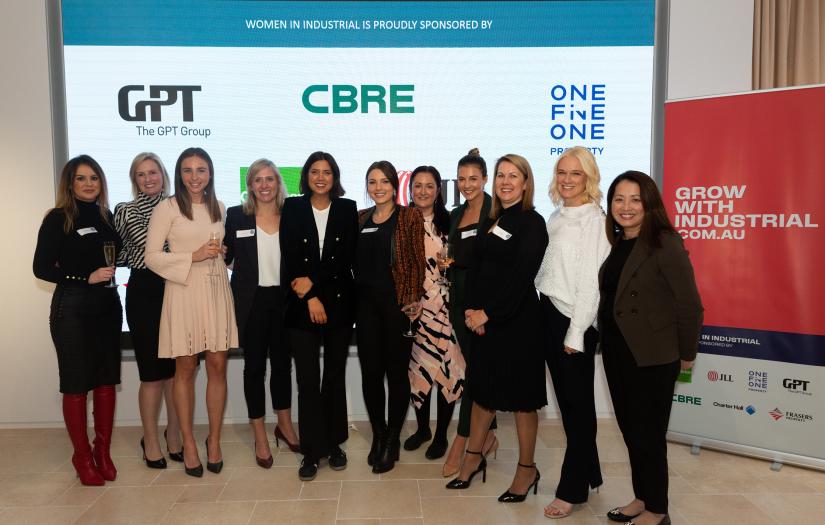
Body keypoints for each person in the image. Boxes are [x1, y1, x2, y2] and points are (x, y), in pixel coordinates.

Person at [599, 171, 703, 525]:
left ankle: (657, 510)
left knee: (649, 435)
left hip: (654, 356)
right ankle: (643, 497)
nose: (625, 207)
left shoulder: (664, 242)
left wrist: (686, 356)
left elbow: (690, 305)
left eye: (635, 200)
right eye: (618, 199)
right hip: (618, 351)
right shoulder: (619, 241)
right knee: (631, 431)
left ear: (649, 204)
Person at [446, 154, 548, 504]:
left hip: (518, 323)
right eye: (501, 175)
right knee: (482, 393)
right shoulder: (494, 219)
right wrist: (472, 310)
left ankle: (526, 469)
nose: (505, 181)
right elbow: (477, 268)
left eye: (513, 175)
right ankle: (473, 458)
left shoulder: (532, 222)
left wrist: (486, 313)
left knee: (523, 401)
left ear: (525, 182)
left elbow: (521, 278)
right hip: (484, 322)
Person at [145, 147, 238, 478]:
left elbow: (222, 250)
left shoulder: (219, 207)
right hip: (183, 290)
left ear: (210, 173)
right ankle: (188, 442)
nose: (194, 177)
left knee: (218, 366)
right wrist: (193, 256)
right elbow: (151, 257)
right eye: (188, 170)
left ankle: (214, 441)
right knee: (185, 368)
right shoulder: (167, 208)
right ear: (179, 174)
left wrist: (221, 252)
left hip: (216, 289)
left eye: (201, 170)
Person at [33, 155, 122, 485]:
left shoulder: (106, 216)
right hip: (72, 308)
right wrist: (85, 277)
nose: (88, 184)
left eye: (94, 178)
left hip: (107, 307)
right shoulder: (58, 218)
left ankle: (103, 453)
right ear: (70, 184)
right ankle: (82, 457)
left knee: (106, 381)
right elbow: (41, 268)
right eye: (81, 178)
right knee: (76, 384)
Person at [535, 147, 610, 519]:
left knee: (578, 410)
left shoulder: (595, 221)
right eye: (562, 172)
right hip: (549, 313)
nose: (567, 180)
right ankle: (590, 473)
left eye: (575, 173)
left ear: (589, 177)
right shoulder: (556, 215)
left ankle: (572, 489)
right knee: (569, 406)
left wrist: (576, 332)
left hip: (573, 321)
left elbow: (592, 284)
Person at [280, 151, 358, 481]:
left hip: (339, 303)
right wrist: (310, 296)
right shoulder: (293, 207)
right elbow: (290, 253)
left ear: (334, 176)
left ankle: (334, 443)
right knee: (308, 380)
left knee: (334, 378)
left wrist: (313, 282)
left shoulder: (347, 208)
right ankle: (311, 450)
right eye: (315, 171)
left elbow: (345, 257)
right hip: (302, 303)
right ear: (306, 176)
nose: (321, 177)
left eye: (327, 172)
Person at [224, 158, 299, 470]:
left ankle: (285, 425)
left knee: (282, 367)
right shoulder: (235, 216)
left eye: (270, 179)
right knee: (253, 369)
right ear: (250, 185)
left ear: (278, 183)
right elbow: (227, 257)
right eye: (258, 180)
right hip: (251, 303)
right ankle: (259, 434)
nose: (264, 185)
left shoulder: (291, 214)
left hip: (284, 301)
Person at [356, 160, 426, 474]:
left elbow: (417, 261)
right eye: (372, 182)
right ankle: (379, 435)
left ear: (394, 185)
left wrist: (413, 298)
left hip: (397, 307)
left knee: (397, 376)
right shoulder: (359, 218)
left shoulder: (409, 216)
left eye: (384, 181)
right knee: (370, 376)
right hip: (365, 309)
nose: (378, 187)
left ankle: (393, 438)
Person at [114, 152, 183, 470]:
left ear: (163, 175)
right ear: (134, 180)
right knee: (153, 375)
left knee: (176, 374)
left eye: (153, 172)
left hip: (177, 290)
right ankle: (151, 440)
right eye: (140, 174)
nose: (148, 179)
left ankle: (174, 435)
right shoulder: (123, 211)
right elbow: (118, 254)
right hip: (143, 292)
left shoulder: (179, 207)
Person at [442, 149, 499, 477]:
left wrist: (485, 309)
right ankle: (487, 435)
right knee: (473, 371)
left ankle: (463, 440)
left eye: (473, 178)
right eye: (462, 179)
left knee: (477, 374)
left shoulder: (496, 212)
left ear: (485, 179)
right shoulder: (455, 213)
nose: (467, 184)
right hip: (457, 301)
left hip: (482, 305)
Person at [404, 166, 466, 460]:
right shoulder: (403, 221)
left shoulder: (451, 221)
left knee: (447, 371)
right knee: (419, 370)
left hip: (446, 310)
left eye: (429, 186)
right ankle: (422, 430)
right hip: (415, 311)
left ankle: (441, 435)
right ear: (410, 189)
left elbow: (461, 262)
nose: (423, 191)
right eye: (418, 185)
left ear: (438, 190)